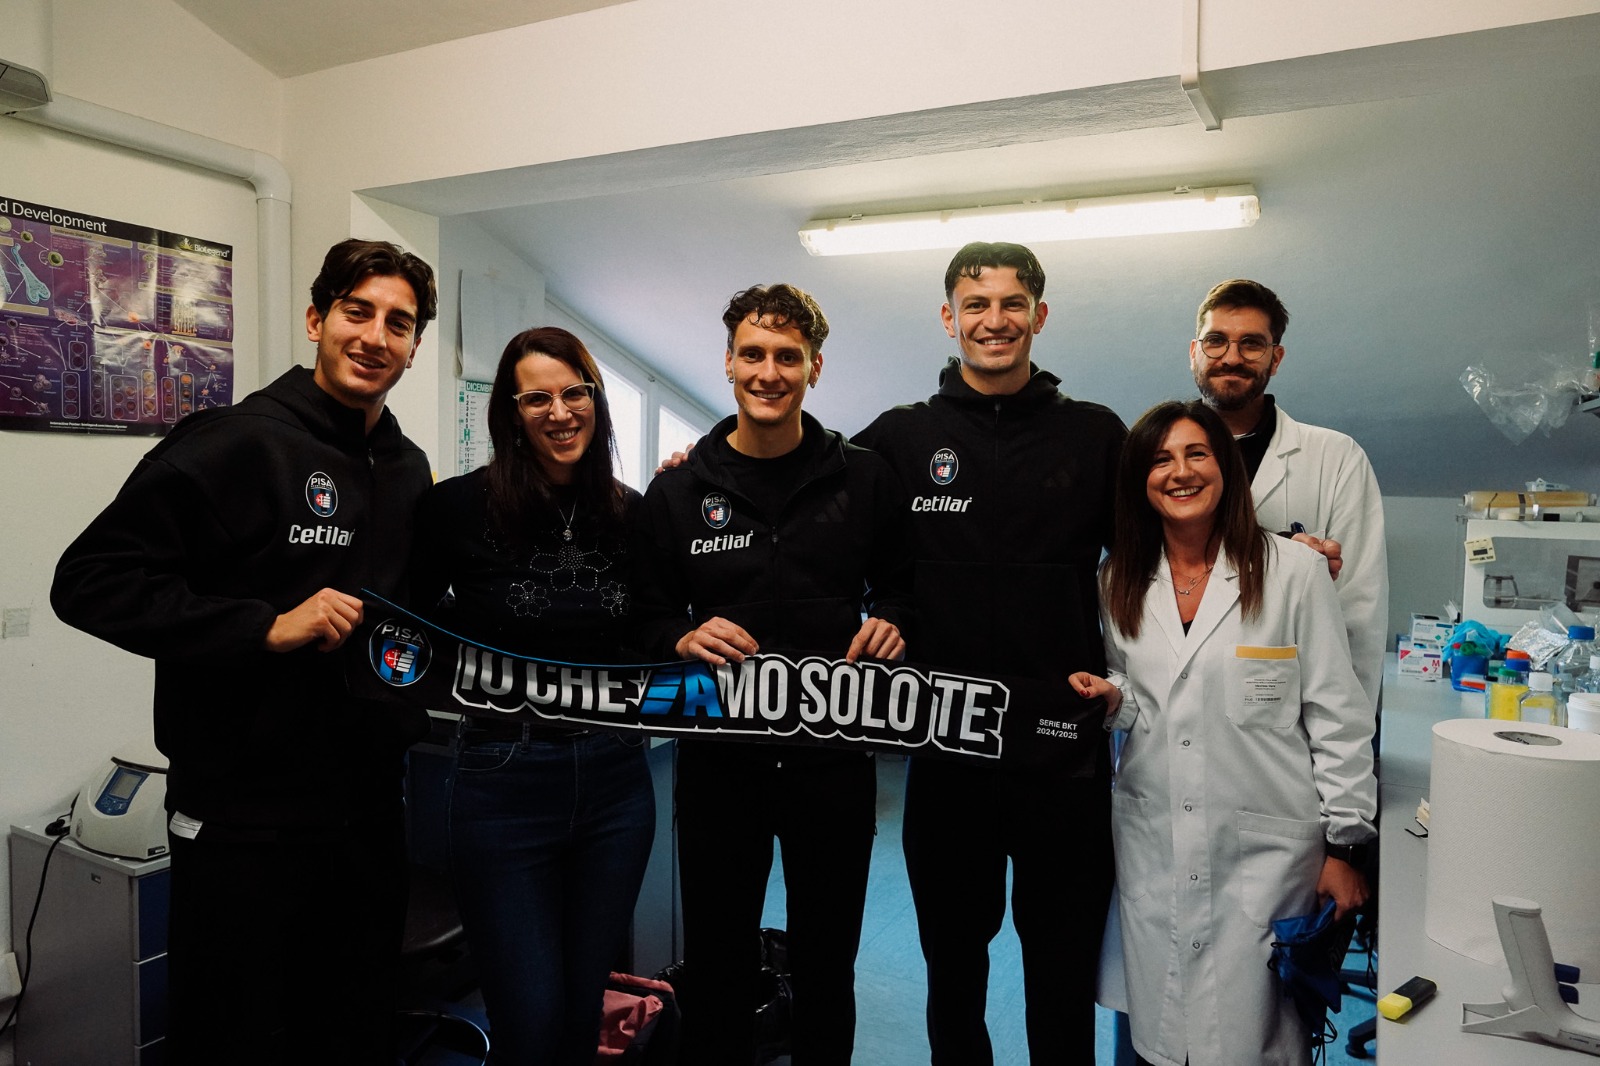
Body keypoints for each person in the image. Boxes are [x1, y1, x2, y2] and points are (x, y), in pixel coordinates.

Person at [51, 238, 438, 1065]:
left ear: (415, 346)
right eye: (357, 312)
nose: (375, 336)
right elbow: (88, 581)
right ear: (316, 320)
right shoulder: (234, 442)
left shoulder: (408, 468)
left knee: (355, 1030)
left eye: (399, 323)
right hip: (243, 821)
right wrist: (262, 626)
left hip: (368, 814)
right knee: (232, 1039)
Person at [852, 242, 1125, 1065]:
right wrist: (701, 466)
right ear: (949, 317)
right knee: (953, 978)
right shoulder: (900, 438)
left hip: (1063, 757)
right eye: (976, 305)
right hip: (947, 758)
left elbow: (1177, 539)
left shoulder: (1095, 435)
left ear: (1039, 315)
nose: (994, 320)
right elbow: (803, 497)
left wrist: (1280, 549)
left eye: (1012, 304)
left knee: (1061, 976)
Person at [630, 283, 912, 1065]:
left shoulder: (864, 479)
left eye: (788, 356)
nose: (768, 372)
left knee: (828, 965)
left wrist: (894, 619)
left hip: (834, 764)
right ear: (727, 362)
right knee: (717, 966)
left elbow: (904, 587)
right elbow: (644, 616)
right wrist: (680, 634)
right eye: (752, 354)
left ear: (815, 368)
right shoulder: (678, 490)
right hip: (720, 767)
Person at [1070, 399, 1378, 1066]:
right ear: (1140, 481)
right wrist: (1113, 699)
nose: (1179, 472)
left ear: (1226, 468)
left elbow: (1339, 716)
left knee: (1256, 1040)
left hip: (1268, 855)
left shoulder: (1293, 572)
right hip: (1156, 840)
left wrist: (1345, 847)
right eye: (1160, 459)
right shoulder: (1118, 580)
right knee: (1163, 1036)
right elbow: (1140, 699)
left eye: (1196, 454)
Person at [408, 326, 654, 1064]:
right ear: (511, 414)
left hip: (615, 781)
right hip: (502, 780)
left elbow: (655, 627)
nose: (560, 411)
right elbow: (407, 624)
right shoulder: (457, 507)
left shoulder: (634, 513)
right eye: (537, 398)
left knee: (581, 1014)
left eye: (575, 392)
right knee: (530, 1020)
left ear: (596, 400)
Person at [1190, 279, 1388, 713]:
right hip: (1173, 696)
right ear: (1194, 352)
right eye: (1216, 341)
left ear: (1275, 358)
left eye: (1252, 344)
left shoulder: (1335, 457)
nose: (1231, 357)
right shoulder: (1153, 456)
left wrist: (1349, 730)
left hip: (1284, 709)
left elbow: (1359, 609)